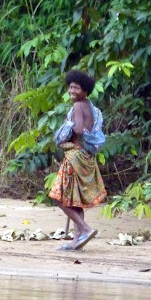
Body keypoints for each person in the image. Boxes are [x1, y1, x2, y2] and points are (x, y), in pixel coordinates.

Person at [49, 70, 107, 250]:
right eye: (70, 87)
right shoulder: (91, 107)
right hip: (85, 156)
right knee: (75, 200)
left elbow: (80, 129)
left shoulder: (77, 107)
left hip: (75, 156)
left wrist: (67, 129)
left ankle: (85, 229)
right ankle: (76, 241)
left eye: (76, 88)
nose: (71, 90)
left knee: (59, 199)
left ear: (85, 90)